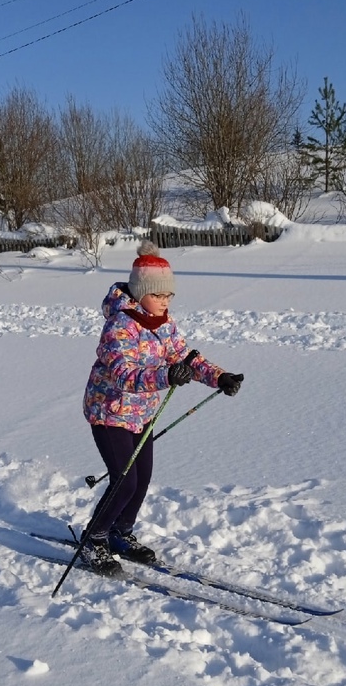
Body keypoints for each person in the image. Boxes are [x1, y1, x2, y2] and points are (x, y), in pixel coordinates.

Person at [81, 241, 244, 576]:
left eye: (169, 295)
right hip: (110, 411)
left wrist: (219, 377)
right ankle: (93, 539)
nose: (165, 301)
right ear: (141, 292)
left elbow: (186, 358)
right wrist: (165, 375)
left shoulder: (164, 324)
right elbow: (123, 375)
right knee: (124, 482)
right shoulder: (119, 326)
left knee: (141, 479)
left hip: (142, 413)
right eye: (158, 294)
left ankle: (119, 531)